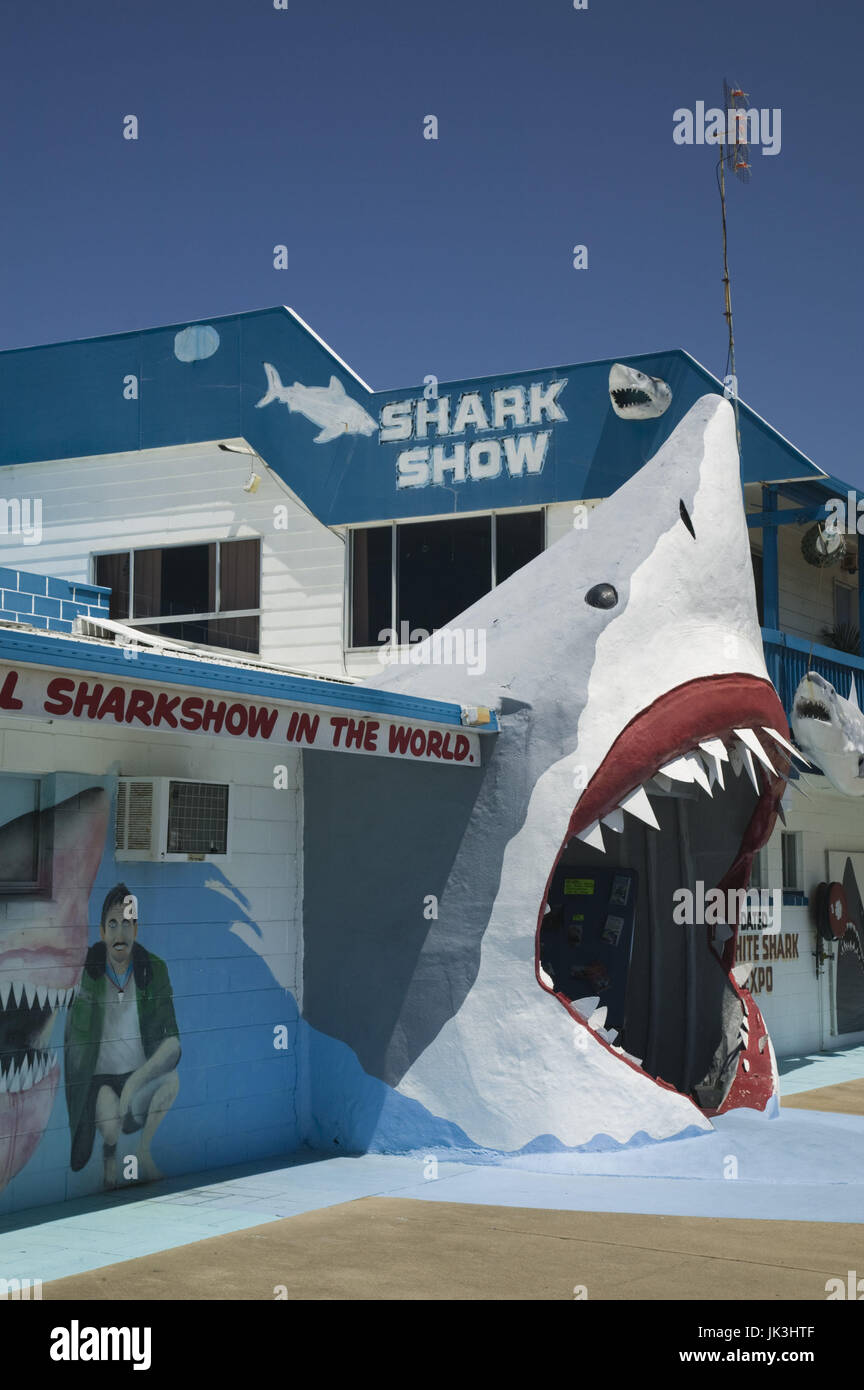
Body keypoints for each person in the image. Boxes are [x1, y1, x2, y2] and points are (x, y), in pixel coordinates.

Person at [66, 884, 180, 1188]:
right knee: (110, 1123)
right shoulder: (84, 975)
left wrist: (136, 1080)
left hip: (137, 1075)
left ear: (136, 929)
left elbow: (173, 1043)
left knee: (172, 1082)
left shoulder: (154, 969)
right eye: (113, 924)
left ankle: (143, 1151)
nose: (120, 933)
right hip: (100, 1080)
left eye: (127, 923)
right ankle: (109, 1156)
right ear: (102, 932)